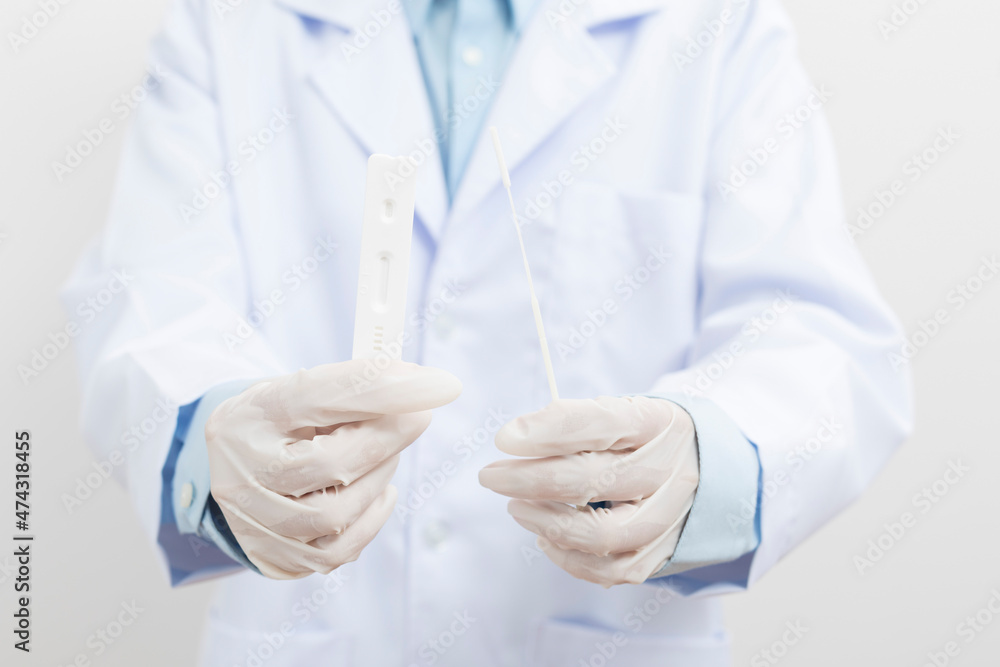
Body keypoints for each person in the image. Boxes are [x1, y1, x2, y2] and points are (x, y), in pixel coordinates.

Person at [63, 0, 913, 664]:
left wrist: (705, 462)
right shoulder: (231, 23)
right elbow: (147, 302)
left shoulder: (714, 24)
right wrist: (215, 443)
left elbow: (820, 333)